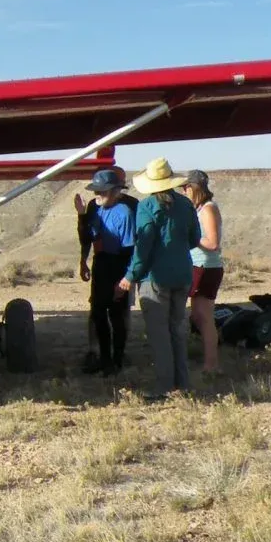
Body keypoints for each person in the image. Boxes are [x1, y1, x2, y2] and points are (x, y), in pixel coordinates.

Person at [117, 158, 200, 398]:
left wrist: (130, 276)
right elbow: (195, 239)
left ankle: (165, 387)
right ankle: (183, 384)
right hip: (183, 274)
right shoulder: (185, 204)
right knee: (176, 330)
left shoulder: (147, 206)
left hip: (155, 278)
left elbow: (143, 246)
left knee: (159, 333)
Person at [74, 167, 138, 375]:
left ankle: (117, 361)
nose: (97, 196)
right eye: (96, 192)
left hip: (118, 265)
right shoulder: (97, 210)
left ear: (114, 191)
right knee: (99, 313)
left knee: (117, 316)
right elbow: (87, 238)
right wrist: (82, 216)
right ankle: (104, 358)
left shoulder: (126, 212)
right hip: (101, 264)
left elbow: (130, 249)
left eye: (101, 192)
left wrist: (126, 278)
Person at [181, 169, 223, 373]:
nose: (183, 191)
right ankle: (209, 361)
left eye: (185, 187)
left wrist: (189, 237)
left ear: (193, 187)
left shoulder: (208, 209)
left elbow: (213, 242)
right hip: (198, 265)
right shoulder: (199, 209)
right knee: (198, 316)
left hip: (207, 266)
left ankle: (212, 364)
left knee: (204, 317)